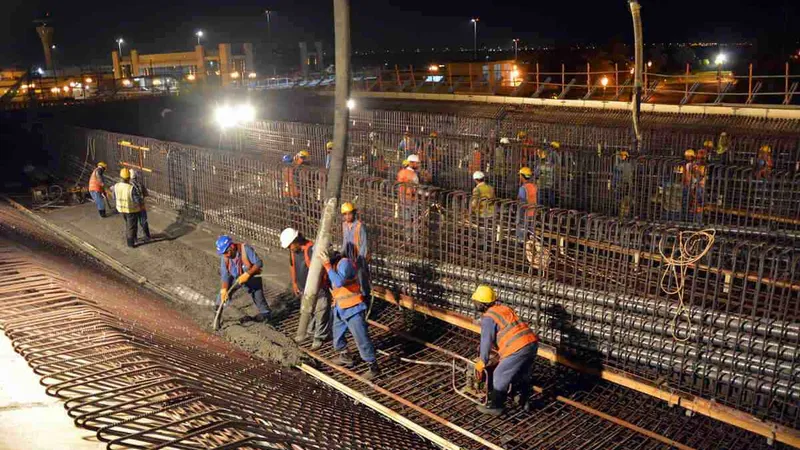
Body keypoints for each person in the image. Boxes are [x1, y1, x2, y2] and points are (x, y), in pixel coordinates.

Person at [471, 285, 538, 416]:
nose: (474, 304)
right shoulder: (504, 309)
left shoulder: (488, 317)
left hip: (517, 347)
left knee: (499, 375)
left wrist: (482, 362)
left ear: (481, 303)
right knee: (523, 374)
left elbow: (486, 342)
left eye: (476, 301)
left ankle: (496, 406)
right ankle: (524, 402)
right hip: (531, 343)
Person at [320, 249, 380, 380]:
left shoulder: (344, 264)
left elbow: (339, 281)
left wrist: (327, 266)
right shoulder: (333, 265)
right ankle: (345, 355)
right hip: (340, 307)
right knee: (337, 335)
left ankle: (373, 366)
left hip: (353, 308)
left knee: (361, 338)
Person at [280, 227, 330, 349]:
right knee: (309, 311)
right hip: (305, 289)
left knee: (321, 312)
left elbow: (322, 270)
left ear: (296, 240)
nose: (289, 249)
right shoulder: (294, 252)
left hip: (319, 289)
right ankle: (310, 333)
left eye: (290, 246)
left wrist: (322, 287)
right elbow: (293, 266)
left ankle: (320, 337)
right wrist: (295, 283)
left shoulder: (311, 250)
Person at [215, 235, 273, 323]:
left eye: (226, 252)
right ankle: (217, 316)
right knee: (221, 296)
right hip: (235, 278)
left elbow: (259, 263)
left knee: (258, 298)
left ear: (232, 246)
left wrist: (247, 274)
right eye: (223, 253)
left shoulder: (245, 250)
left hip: (251, 277)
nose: (225, 255)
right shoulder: (225, 257)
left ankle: (266, 315)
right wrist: (224, 289)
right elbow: (225, 275)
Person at [341, 202, 371, 304]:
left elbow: (364, 246)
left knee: (362, 283)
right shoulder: (344, 225)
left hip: (359, 260)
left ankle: (365, 302)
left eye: (350, 213)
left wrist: (359, 261)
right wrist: (341, 254)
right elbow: (345, 242)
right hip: (349, 259)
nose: (348, 216)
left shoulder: (359, 226)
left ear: (354, 213)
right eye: (345, 214)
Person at [113, 168, 143, 248]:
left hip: (120, 209)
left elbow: (114, 197)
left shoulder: (116, 186)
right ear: (129, 178)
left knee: (129, 224)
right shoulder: (131, 188)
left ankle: (134, 238)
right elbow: (137, 200)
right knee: (131, 226)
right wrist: (141, 203)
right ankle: (130, 243)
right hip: (130, 210)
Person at [129, 169, 151, 240]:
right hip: (141, 206)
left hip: (133, 207)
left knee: (133, 223)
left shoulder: (128, 185)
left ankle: (134, 238)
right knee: (143, 222)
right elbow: (146, 194)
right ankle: (147, 236)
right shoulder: (140, 184)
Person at [516, 167, 537, 241]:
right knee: (531, 230)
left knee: (522, 228)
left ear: (522, 176)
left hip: (525, 212)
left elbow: (522, 202)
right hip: (533, 211)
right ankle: (532, 244)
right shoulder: (534, 186)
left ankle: (521, 243)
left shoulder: (523, 188)